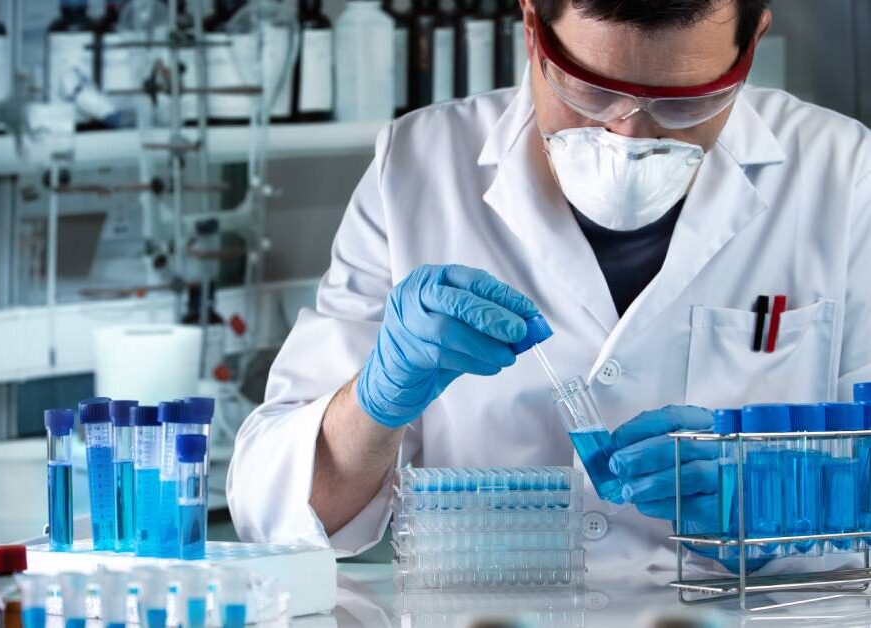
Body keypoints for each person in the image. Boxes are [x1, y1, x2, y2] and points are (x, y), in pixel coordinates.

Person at [227, 0, 871, 580]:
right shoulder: (417, 165)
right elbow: (271, 511)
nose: (631, 137)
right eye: (592, 94)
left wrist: (796, 492)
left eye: (685, 104)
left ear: (752, 39)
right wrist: (375, 402)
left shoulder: (842, 173)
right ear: (534, 26)